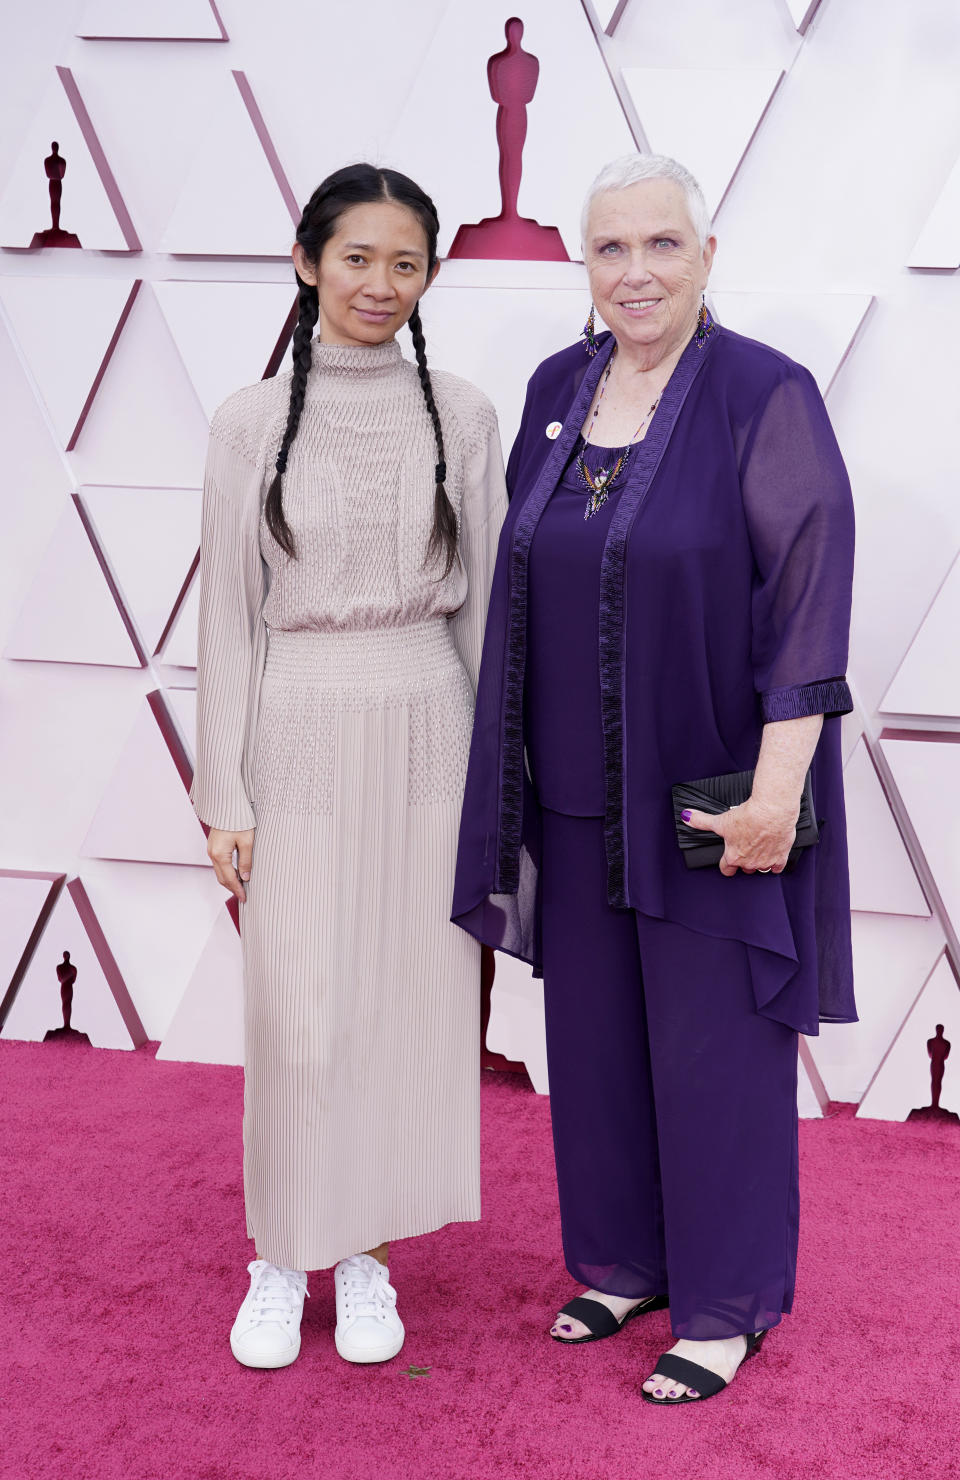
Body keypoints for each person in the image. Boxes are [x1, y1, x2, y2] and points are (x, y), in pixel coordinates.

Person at [452, 153, 856, 1405]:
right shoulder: (558, 387)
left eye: (661, 245)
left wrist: (778, 796)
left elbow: (808, 602)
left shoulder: (761, 393)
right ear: (586, 265)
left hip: (708, 795)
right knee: (598, 1041)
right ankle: (624, 1260)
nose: (635, 271)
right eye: (611, 248)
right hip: (570, 791)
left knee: (717, 1050)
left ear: (706, 255)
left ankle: (727, 1300)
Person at [190, 164, 506, 1370]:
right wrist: (224, 787)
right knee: (301, 1016)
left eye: (406, 262)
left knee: (403, 1011)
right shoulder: (248, 421)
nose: (381, 283)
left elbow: (489, 618)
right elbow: (228, 613)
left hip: (433, 717)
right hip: (302, 722)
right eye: (359, 257)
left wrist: (498, 785)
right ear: (308, 260)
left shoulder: (462, 415)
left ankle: (366, 1251)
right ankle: (281, 1253)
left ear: (430, 276)